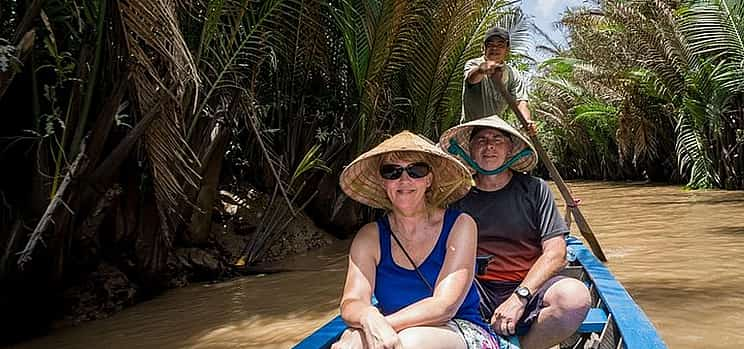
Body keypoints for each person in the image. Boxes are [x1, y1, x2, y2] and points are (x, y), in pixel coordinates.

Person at [333, 131, 507, 349]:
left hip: (459, 328)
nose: (404, 180)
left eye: (416, 170)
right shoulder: (369, 236)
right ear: (383, 182)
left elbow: (444, 307)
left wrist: (379, 325)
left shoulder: (461, 225)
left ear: (429, 179)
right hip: (394, 331)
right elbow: (351, 302)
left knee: (408, 343)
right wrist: (368, 317)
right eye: (392, 172)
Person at [440, 116, 591, 349]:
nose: (488, 145)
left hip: (528, 286)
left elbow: (557, 253)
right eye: (481, 140)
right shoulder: (456, 196)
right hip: (474, 289)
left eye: (497, 139)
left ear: (510, 150)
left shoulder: (535, 189)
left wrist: (520, 297)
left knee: (575, 298)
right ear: (469, 150)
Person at [462, 26, 535, 134]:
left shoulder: (513, 74)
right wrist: (482, 70)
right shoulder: (474, 64)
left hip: (495, 131)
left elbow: (520, 103)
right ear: (483, 48)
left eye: (500, 45)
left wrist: (527, 122)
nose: (495, 48)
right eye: (490, 45)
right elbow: (471, 79)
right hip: (470, 130)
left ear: (507, 49)